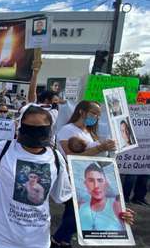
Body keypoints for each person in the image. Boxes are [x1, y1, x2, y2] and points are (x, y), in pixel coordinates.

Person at [0, 105, 72, 248]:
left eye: (41, 129)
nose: (35, 134)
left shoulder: (56, 158)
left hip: (37, 240)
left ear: (49, 130)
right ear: (21, 127)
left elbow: (64, 197)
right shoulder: (3, 149)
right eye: (30, 128)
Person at [52, 100, 116, 248]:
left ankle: (64, 241)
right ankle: (57, 240)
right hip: (71, 178)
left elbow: (92, 154)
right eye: (93, 113)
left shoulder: (89, 132)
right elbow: (70, 157)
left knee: (75, 214)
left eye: (98, 115)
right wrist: (99, 148)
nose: (96, 117)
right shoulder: (67, 130)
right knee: (76, 215)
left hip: (86, 179)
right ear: (81, 111)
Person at [79, 163, 135, 231]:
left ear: (106, 184)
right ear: (85, 184)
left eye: (100, 180)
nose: (96, 186)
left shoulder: (115, 205)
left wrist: (126, 217)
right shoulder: (80, 206)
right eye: (91, 180)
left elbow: (124, 221)